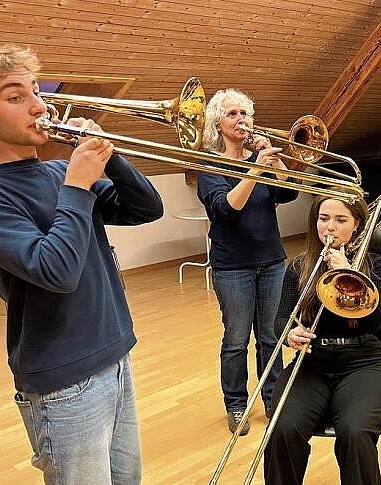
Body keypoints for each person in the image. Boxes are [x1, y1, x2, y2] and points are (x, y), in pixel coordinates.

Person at [0, 44, 164, 484]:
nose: (38, 104)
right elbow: (56, 271)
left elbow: (145, 209)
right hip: (61, 383)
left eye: (36, 90)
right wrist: (77, 181)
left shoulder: (57, 174)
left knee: (127, 479)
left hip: (114, 355)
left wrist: (111, 158)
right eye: (15, 96)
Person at [263, 193, 381, 485]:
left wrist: (348, 272)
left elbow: (374, 321)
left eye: (340, 220)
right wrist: (289, 334)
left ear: (356, 225)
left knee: (355, 431)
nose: (330, 228)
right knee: (282, 428)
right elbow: (280, 319)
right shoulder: (299, 267)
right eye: (324, 219)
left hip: (364, 364)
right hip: (312, 364)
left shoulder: (374, 266)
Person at [197, 88, 298, 435]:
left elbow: (288, 193)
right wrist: (254, 168)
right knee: (237, 339)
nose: (242, 120)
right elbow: (226, 208)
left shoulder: (261, 157)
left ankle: (273, 397)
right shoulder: (210, 164)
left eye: (246, 113)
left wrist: (276, 161)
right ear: (218, 124)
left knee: (271, 336)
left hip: (271, 259)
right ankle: (237, 404)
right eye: (233, 114)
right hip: (232, 265)